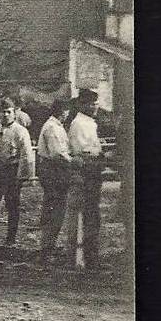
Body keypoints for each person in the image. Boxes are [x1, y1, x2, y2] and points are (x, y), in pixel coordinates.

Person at [0, 98, 35, 253]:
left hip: (11, 170)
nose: (5, 115)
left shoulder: (20, 131)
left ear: (14, 113)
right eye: (2, 112)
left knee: (12, 206)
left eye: (8, 112)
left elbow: (27, 155)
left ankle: (10, 240)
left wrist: (26, 176)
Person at [68, 89, 105, 269]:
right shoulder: (79, 123)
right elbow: (81, 150)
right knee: (89, 213)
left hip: (93, 168)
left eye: (95, 103)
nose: (95, 106)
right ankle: (88, 257)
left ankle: (92, 255)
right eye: (91, 103)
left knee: (93, 213)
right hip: (86, 170)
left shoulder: (90, 122)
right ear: (82, 105)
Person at [37, 98, 72, 264]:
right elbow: (57, 153)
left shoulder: (57, 126)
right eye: (66, 110)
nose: (67, 114)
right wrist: (74, 162)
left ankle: (49, 245)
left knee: (55, 208)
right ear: (61, 111)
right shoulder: (52, 127)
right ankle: (47, 248)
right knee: (55, 209)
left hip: (54, 169)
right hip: (53, 170)